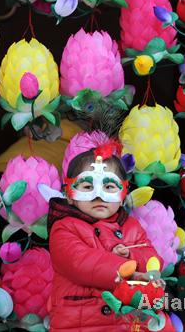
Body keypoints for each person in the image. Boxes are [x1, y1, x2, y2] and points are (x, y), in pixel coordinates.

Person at [47, 141, 166, 331]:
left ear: (123, 194)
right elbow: (80, 262)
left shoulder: (131, 226)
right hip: (83, 322)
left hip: (129, 321)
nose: (99, 196)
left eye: (109, 187)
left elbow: (153, 258)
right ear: (69, 195)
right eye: (87, 187)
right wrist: (126, 268)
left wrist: (131, 257)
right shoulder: (63, 228)